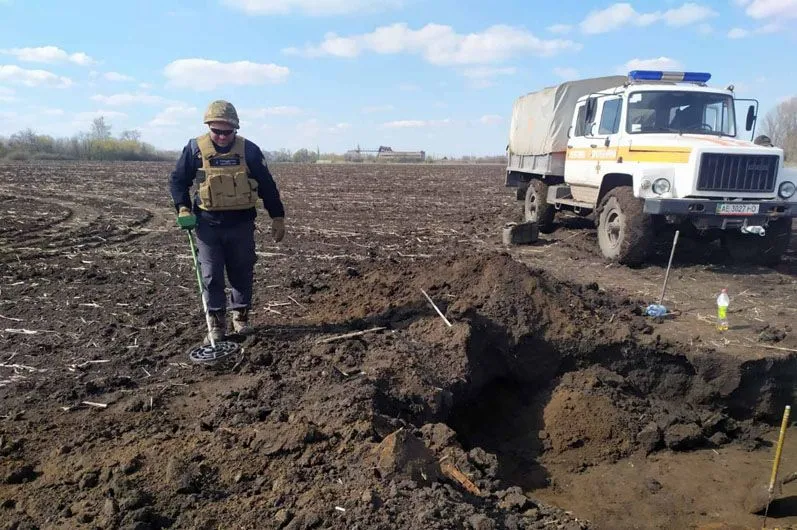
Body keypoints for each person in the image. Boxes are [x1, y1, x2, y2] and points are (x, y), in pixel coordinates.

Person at [169, 100, 286, 343]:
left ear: (235, 129)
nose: (222, 137)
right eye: (216, 131)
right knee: (211, 275)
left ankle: (240, 320)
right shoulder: (195, 150)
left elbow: (267, 184)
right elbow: (178, 181)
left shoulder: (249, 151)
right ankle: (216, 325)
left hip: (241, 224)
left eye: (227, 132)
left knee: (242, 271)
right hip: (207, 225)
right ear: (208, 127)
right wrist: (182, 207)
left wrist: (277, 216)